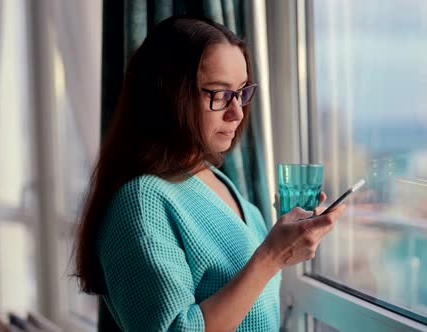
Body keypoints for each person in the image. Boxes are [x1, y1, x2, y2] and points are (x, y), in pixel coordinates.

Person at [74, 15, 346, 331]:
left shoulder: (215, 179)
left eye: (242, 92)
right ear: (168, 94)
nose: (237, 112)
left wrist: (286, 239)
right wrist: (271, 255)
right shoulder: (140, 201)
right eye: (219, 94)